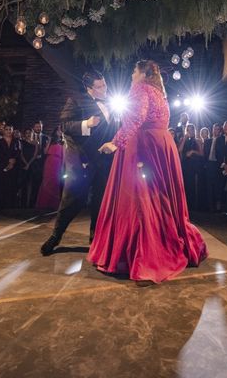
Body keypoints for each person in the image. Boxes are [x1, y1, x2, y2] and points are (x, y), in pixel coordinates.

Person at [89, 60, 207, 284]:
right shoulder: (159, 93)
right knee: (159, 197)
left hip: (144, 147)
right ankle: (165, 240)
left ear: (143, 73)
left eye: (134, 71)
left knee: (141, 199)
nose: (132, 74)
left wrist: (116, 142)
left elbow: (137, 117)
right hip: (163, 145)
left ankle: (147, 255)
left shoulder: (141, 89)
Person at [40, 70, 119, 254]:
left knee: (100, 202)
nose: (104, 89)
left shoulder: (112, 104)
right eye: (99, 87)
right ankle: (55, 236)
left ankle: (96, 242)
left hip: (104, 161)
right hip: (82, 159)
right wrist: (86, 124)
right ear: (89, 88)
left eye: (104, 84)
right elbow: (65, 125)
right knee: (71, 199)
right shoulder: (76, 100)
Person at [35, 126, 65, 210]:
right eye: (58, 130)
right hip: (49, 162)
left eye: (61, 131)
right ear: (55, 132)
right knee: (46, 182)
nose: (60, 132)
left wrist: (62, 167)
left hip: (58, 163)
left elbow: (64, 156)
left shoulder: (63, 142)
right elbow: (45, 152)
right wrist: (49, 141)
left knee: (55, 183)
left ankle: (54, 204)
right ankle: (43, 204)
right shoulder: (51, 141)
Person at [0, 124, 21, 209]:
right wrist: (8, 161)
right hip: (2, 165)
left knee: (12, 185)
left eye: (10, 129)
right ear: (3, 131)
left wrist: (12, 162)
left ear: (12, 131)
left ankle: (11, 206)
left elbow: (18, 152)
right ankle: (1, 206)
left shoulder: (16, 141)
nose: (8, 131)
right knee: (2, 185)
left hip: (14, 166)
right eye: (7, 129)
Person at [178, 123, 203, 210]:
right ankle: (184, 205)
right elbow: (179, 150)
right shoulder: (182, 139)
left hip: (193, 165)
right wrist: (184, 139)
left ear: (194, 130)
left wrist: (193, 151)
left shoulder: (197, 140)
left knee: (192, 185)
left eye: (192, 129)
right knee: (184, 185)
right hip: (184, 164)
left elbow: (201, 153)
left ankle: (192, 206)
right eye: (188, 129)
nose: (190, 131)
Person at [204, 123, 222, 212]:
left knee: (217, 186)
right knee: (209, 186)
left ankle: (217, 205)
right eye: (214, 129)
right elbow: (204, 154)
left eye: (218, 129)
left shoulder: (222, 141)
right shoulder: (207, 141)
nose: (216, 130)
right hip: (209, 164)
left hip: (218, 165)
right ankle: (209, 206)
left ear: (220, 131)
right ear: (212, 130)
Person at [18, 128, 39, 208]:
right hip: (23, 164)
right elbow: (21, 154)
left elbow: (35, 154)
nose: (28, 134)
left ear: (32, 133)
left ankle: (30, 203)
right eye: (26, 132)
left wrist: (29, 164)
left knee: (31, 184)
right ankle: (22, 203)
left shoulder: (36, 142)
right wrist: (26, 164)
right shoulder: (22, 142)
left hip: (32, 165)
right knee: (23, 184)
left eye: (30, 132)